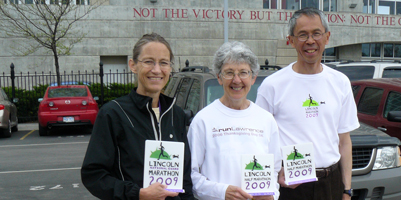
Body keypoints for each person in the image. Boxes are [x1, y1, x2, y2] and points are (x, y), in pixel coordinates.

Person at [255, 7, 360, 200]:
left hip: (332, 184)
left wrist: (347, 190)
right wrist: (274, 173)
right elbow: (259, 141)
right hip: (291, 186)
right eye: (302, 35)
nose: (310, 41)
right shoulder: (272, 85)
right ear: (291, 40)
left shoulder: (340, 82)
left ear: (327, 37)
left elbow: (344, 142)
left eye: (316, 34)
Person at [81, 33, 194, 200]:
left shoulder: (175, 114)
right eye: (148, 61)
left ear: (170, 68)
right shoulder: (113, 113)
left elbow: (185, 178)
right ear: (133, 65)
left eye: (163, 63)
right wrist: (138, 194)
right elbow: (93, 175)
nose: (156, 70)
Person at [188, 41, 281, 200]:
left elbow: (274, 170)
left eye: (243, 72)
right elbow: (191, 176)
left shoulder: (266, 120)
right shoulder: (203, 121)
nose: (236, 80)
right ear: (219, 77)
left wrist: (271, 194)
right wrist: (221, 192)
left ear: (253, 78)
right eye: (229, 72)